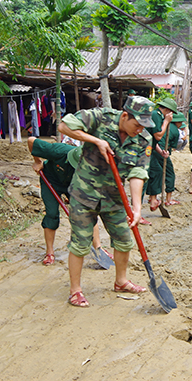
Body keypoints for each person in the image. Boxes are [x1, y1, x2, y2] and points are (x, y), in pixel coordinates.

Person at [57, 95, 154, 308]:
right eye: (137, 124)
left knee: (124, 241)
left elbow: (138, 173)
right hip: (84, 194)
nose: (139, 129)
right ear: (125, 116)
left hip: (114, 199)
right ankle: (76, 290)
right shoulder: (99, 118)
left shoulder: (144, 139)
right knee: (80, 244)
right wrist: (96, 140)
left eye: (143, 126)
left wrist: (137, 208)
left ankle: (121, 281)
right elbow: (64, 126)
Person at [27, 137, 112, 266]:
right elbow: (31, 141)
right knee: (52, 214)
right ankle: (50, 252)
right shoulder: (58, 151)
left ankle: (99, 248)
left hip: (73, 185)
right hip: (51, 180)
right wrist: (37, 161)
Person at [146, 112, 185, 208]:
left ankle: (152, 197)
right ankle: (168, 199)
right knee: (170, 173)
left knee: (155, 172)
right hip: (161, 150)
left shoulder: (164, 125)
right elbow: (173, 146)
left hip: (153, 148)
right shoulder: (175, 130)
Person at [146, 98, 176, 212]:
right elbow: (158, 135)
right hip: (143, 149)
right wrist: (167, 121)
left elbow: (154, 140)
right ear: (167, 110)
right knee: (155, 172)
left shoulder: (157, 115)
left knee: (156, 172)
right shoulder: (156, 115)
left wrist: (161, 152)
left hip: (150, 148)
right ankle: (151, 200)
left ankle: (153, 199)